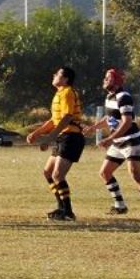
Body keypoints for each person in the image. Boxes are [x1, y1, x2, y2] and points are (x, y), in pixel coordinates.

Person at [83, 68, 140, 217]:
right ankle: (120, 206)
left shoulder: (123, 97)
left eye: (108, 78)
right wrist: (93, 127)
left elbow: (127, 122)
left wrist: (109, 139)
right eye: (105, 77)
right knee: (105, 173)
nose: (104, 80)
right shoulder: (110, 97)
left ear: (117, 81)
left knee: (135, 174)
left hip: (131, 141)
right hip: (118, 142)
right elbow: (109, 118)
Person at [26, 67, 85, 221]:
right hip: (63, 136)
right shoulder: (59, 93)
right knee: (48, 172)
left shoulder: (67, 92)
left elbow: (66, 118)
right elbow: (54, 120)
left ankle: (68, 212)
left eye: (57, 74)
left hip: (71, 137)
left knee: (58, 174)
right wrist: (37, 133)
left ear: (65, 79)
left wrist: (50, 137)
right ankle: (61, 208)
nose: (53, 75)